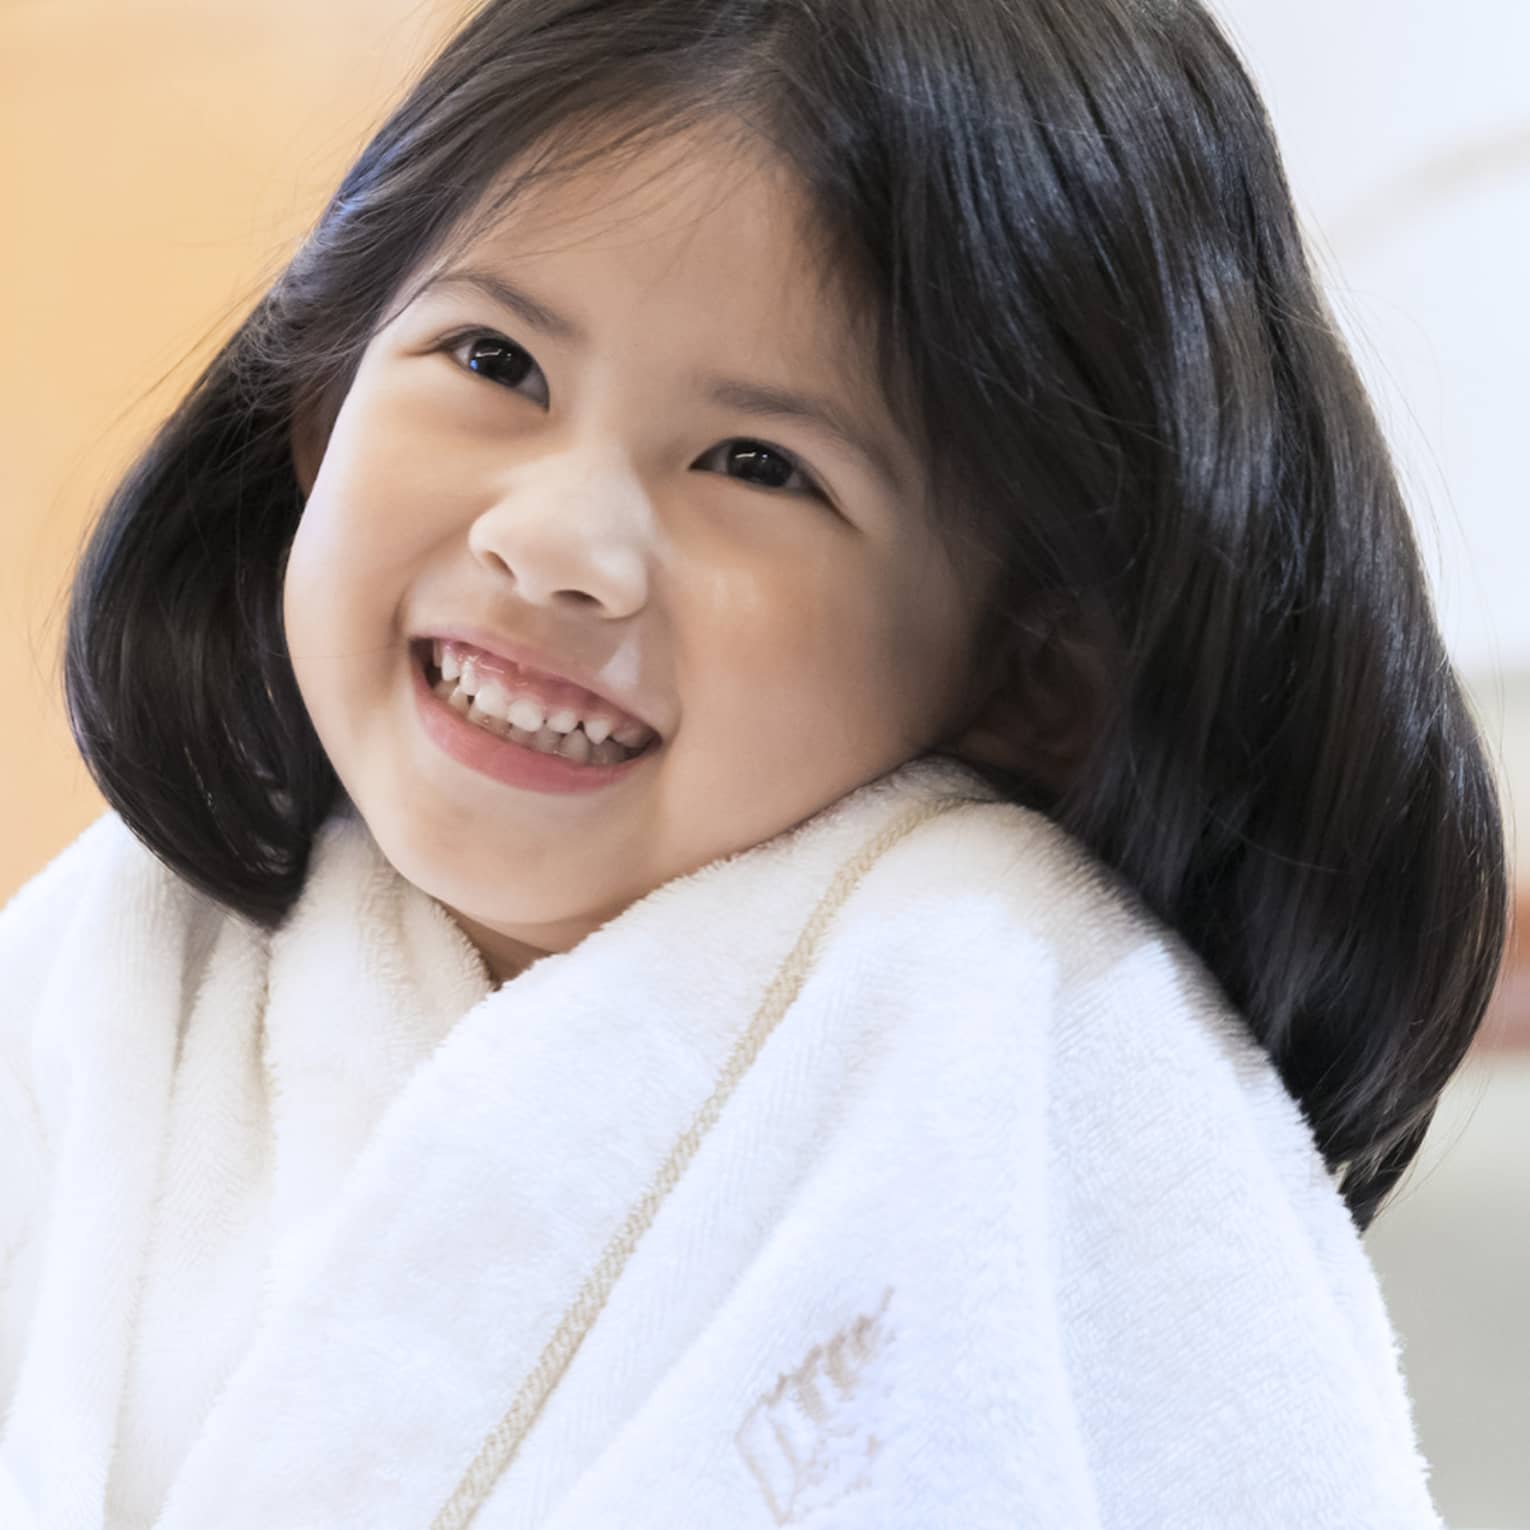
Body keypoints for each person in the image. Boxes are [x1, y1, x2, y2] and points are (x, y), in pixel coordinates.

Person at [0, 0, 1506, 1525]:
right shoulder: (118, 962)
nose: (555, 542)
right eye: (493, 359)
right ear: (319, 396)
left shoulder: (1039, 1057)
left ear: (1029, 667)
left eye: (759, 465)